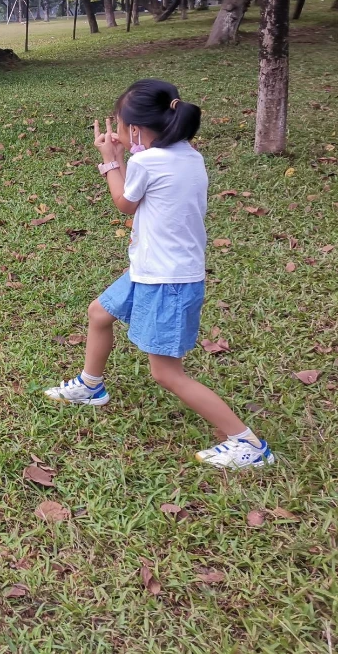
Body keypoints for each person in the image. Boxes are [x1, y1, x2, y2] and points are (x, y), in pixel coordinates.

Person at [44, 78, 276, 470]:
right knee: (99, 313)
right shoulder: (189, 154)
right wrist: (126, 151)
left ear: (134, 130)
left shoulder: (148, 162)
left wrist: (109, 160)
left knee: (167, 373)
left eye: (118, 124)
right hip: (153, 269)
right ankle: (90, 385)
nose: (114, 132)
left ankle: (248, 444)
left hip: (166, 279)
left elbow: (124, 204)